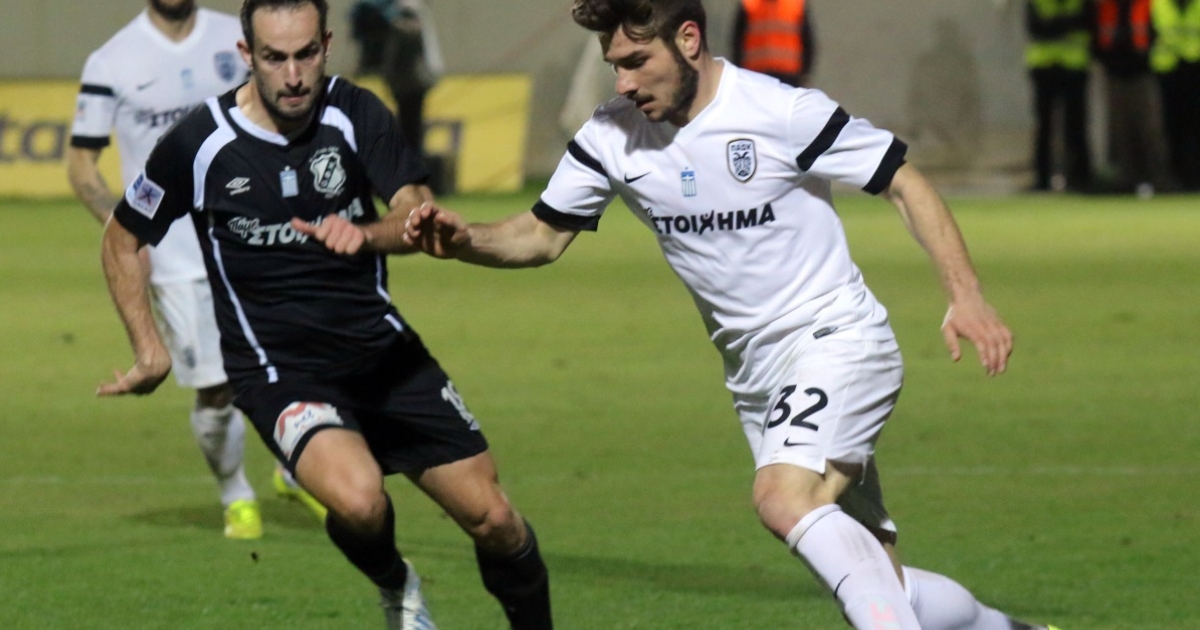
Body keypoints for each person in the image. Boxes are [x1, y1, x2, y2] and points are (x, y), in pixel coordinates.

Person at [404, 1, 1059, 629]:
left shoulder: (779, 111)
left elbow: (903, 181)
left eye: (636, 61)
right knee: (883, 582)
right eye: (614, 66)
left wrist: (966, 295)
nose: (624, 83)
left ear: (688, 40)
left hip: (836, 341)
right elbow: (540, 235)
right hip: (757, 381)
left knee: (783, 499)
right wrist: (465, 240)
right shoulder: (612, 135)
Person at [96, 1, 552, 628]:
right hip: (279, 370)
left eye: (305, 54)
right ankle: (397, 585)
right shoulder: (201, 143)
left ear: (327, 45)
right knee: (361, 502)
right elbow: (121, 238)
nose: (293, 75)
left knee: (495, 519)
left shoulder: (356, 113)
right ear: (246, 55)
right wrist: (150, 351)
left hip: (381, 352)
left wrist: (368, 234)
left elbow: (415, 213)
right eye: (275, 57)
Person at [67, 0, 323, 540]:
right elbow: (81, 163)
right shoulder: (111, 60)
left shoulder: (242, 38)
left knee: (301, 366)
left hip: (263, 238)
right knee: (216, 387)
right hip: (177, 257)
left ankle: (296, 470)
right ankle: (236, 493)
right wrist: (127, 230)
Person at [1094, 0, 1173, 194]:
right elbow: (1096, 38)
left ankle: (1159, 178)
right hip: (1115, 74)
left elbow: (1156, 34)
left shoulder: (1146, 5)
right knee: (1121, 130)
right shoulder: (1106, 7)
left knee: (1149, 129)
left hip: (1142, 73)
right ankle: (1127, 179)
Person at [349, 0, 444, 157]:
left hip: (412, 81)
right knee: (406, 126)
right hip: (403, 81)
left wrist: (392, 22)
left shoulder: (407, 9)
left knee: (411, 127)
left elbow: (413, 32)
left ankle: (411, 160)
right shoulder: (397, 10)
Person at [1025, 0, 1094, 191]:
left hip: (1072, 66)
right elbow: (1036, 27)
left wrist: (1054, 24)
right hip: (1046, 66)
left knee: (1075, 125)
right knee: (1045, 126)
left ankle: (1079, 177)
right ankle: (1043, 178)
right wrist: (1068, 23)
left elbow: (1087, 23)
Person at [1150, 0, 1200, 191]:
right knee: (1172, 127)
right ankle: (1176, 176)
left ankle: (1194, 176)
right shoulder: (1159, 4)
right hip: (1168, 70)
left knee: (1194, 126)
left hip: (1194, 69)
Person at [731, 0, 815, 88]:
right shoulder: (749, 4)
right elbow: (738, 41)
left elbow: (807, 41)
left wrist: (804, 73)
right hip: (756, 75)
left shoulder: (795, 4)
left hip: (788, 76)